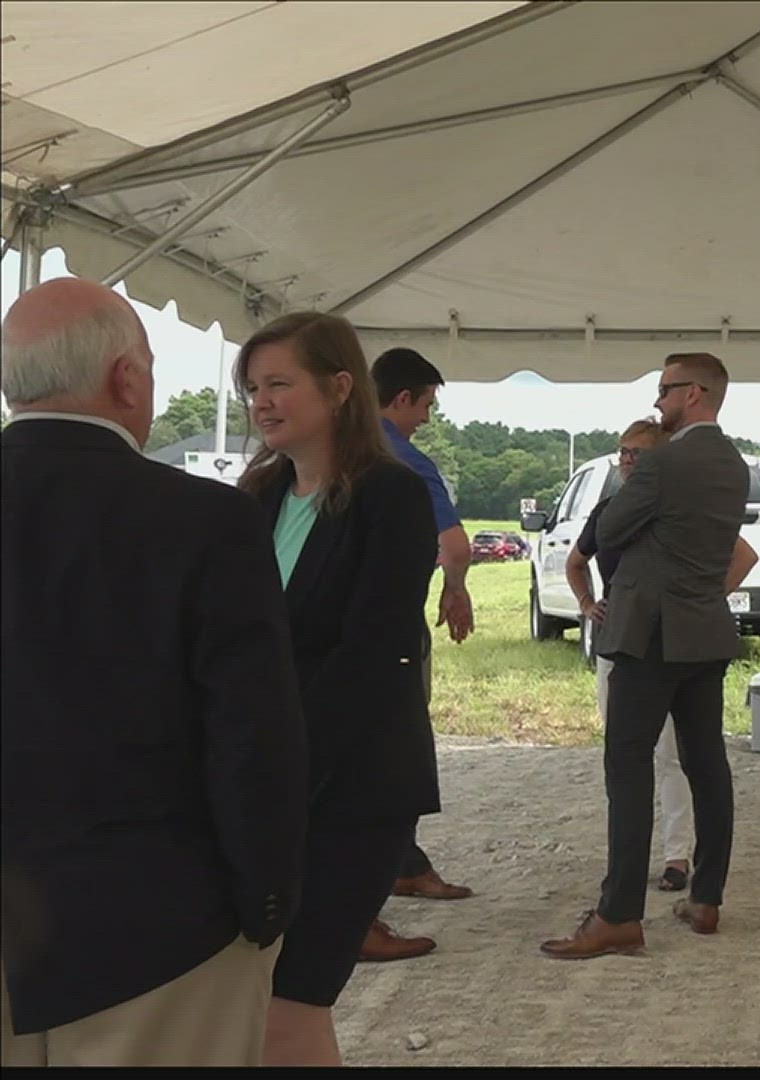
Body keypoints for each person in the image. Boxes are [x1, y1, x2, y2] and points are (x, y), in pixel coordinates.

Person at [0, 278, 306, 1067]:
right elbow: (252, 736)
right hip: (155, 930)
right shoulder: (205, 521)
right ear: (127, 378)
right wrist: (267, 902)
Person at [233, 312, 441, 1066]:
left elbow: (371, 653)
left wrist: (276, 761)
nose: (261, 400)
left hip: (350, 788)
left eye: (280, 383)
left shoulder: (391, 496)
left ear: (340, 386)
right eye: (253, 386)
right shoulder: (254, 497)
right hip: (260, 790)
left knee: (292, 1001)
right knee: (265, 1005)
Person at [541, 353, 748, 956]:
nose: (658, 401)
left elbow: (606, 531)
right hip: (704, 631)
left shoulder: (664, 463)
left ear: (697, 393)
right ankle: (706, 898)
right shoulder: (733, 464)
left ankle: (619, 913)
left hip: (647, 632)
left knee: (628, 769)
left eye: (665, 390)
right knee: (707, 765)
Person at [570, 419, 759, 892]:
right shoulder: (614, 504)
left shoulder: (678, 505)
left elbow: (744, 555)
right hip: (627, 633)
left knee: (670, 758)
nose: (629, 461)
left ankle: (666, 866)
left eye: (639, 453)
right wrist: (588, 603)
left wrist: (703, 598)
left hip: (665, 638)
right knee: (662, 758)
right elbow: (582, 555)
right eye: (624, 452)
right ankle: (692, 888)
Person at [362, 347, 473, 963]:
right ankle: (365, 899)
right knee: (395, 757)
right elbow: (454, 545)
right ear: (401, 399)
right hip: (393, 635)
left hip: (323, 635)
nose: (428, 417)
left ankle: (404, 862)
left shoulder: (333, 445)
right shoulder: (406, 460)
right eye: (426, 404)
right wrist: (455, 590)